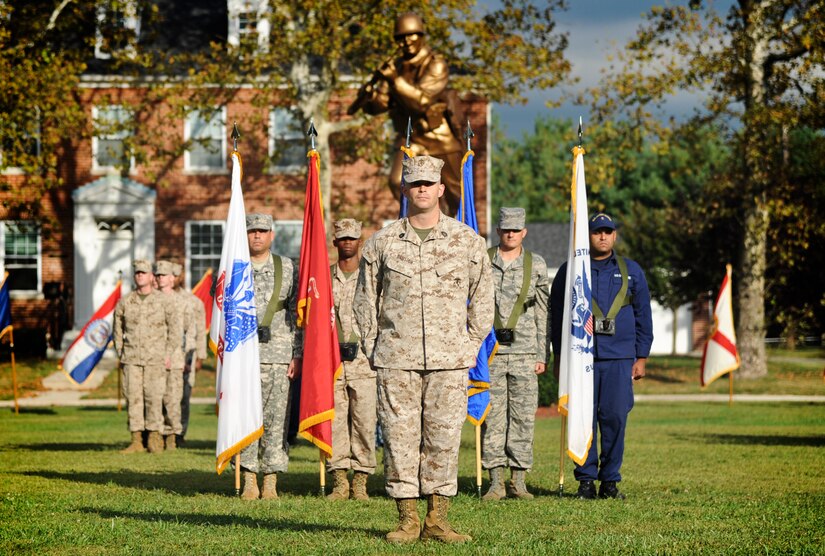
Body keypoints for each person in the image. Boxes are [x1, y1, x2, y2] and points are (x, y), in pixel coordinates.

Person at [354, 155, 493, 544]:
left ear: (441, 189)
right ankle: (407, 519)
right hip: (397, 358)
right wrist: (373, 346)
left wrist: (468, 345)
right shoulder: (382, 242)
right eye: (414, 184)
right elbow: (365, 301)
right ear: (405, 189)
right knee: (399, 437)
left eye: (428, 184)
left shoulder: (466, 241)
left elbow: (483, 299)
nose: (422, 190)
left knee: (444, 437)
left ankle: (438, 519)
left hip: (450, 360)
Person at [550, 213, 653, 500]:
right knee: (583, 419)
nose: (603, 237)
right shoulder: (570, 271)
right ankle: (585, 481)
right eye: (597, 232)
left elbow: (644, 315)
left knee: (615, 419)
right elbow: (557, 318)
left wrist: (641, 356)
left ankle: (610, 481)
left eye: (608, 232)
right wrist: (560, 359)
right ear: (589, 236)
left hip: (619, 359)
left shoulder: (632, 271)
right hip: (582, 358)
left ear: (615, 235)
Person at [347, 12, 464, 214]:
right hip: (410, 139)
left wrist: (394, 80)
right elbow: (382, 103)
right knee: (396, 181)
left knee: (455, 195)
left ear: (421, 36)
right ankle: (421, 220)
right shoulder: (397, 66)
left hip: (437, 138)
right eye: (400, 37)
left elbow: (422, 101)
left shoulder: (436, 64)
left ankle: (459, 230)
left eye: (412, 35)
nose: (406, 41)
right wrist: (370, 97)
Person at [481, 207, 550, 501]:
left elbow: (543, 310)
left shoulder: (536, 264)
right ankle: (495, 481)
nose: (510, 234)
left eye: (515, 229)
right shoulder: (483, 260)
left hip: (524, 352)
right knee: (493, 417)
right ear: (498, 231)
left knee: (523, 417)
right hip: (491, 352)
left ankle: (518, 480)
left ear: (524, 232)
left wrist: (542, 353)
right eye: (505, 229)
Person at [239, 213, 303, 501]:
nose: (257, 236)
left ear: (271, 235)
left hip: (279, 354)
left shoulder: (287, 267)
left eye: (262, 231)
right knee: (247, 419)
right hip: (244, 356)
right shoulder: (235, 267)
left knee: (277, 420)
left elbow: (296, 315)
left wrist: (297, 354)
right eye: (252, 231)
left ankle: (271, 480)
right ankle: (249, 477)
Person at [326, 218, 377, 501]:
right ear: (335, 242)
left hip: (365, 364)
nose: (347, 242)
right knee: (335, 423)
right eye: (342, 238)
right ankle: (339, 481)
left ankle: (361, 481)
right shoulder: (323, 277)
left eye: (352, 238)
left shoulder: (371, 278)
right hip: (333, 363)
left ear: (360, 242)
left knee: (364, 423)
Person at [113, 259, 182, 454]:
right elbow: (117, 329)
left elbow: (175, 330)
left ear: (152, 276)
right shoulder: (126, 301)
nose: (140, 275)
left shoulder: (163, 301)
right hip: (132, 359)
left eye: (144, 272)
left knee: (154, 398)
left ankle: (154, 438)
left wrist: (168, 353)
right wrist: (120, 352)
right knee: (133, 399)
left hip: (156, 360)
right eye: (137, 273)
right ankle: (136, 440)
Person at [155, 259, 193, 451]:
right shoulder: (152, 299)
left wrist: (187, 358)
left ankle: (173, 435)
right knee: (155, 398)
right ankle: (156, 436)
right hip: (153, 358)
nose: (160, 278)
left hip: (176, 359)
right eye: (157, 275)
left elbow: (188, 330)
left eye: (163, 275)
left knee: (173, 399)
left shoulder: (182, 302)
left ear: (172, 278)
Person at [172, 262, 207, 446]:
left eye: (176, 274)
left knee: (183, 397)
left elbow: (201, 330)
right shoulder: (161, 298)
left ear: (182, 276)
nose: (173, 277)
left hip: (188, 355)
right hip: (166, 355)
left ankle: (180, 433)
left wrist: (201, 356)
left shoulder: (193, 302)